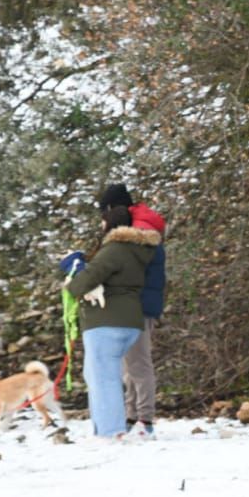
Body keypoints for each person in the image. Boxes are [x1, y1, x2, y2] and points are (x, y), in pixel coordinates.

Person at [59, 206, 162, 441]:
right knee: (103, 374)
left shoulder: (114, 250)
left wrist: (70, 267)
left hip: (107, 322)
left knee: (103, 377)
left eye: (103, 222)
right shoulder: (140, 251)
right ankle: (108, 428)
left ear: (109, 225)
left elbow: (82, 283)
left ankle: (110, 432)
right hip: (132, 322)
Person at [98, 183, 167, 438]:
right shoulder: (141, 224)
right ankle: (131, 415)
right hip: (137, 302)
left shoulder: (139, 232)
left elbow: (130, 270)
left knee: (138, 363)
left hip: (137, 303)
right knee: (131, 363)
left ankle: (145, 419)